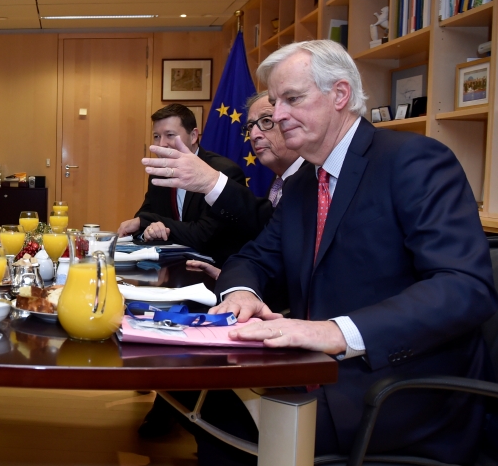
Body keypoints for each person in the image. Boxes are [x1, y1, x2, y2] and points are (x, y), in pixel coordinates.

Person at [208, 40, 497, 463]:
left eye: (292, 99)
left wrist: (336, 332)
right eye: (275, 102)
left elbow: (464, 288)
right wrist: (241, 295)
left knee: (228, 423)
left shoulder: (414, 161)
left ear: (339, 95)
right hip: (319, 374)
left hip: (401, 390)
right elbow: (253, 259)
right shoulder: (305, 182)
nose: (278, 115)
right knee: (210, 406)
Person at [142, 92, 306, 278]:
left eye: (266, 122)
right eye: (250, 126)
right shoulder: (278, 182)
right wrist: (230, 277)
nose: (253, 135)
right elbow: (267, 241)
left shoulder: (311, 179)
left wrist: (212, 182)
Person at [117, 103, 248, 265]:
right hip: (172, 265)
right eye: (156, 136)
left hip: (216, 268)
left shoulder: (223, 173)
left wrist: (150, 222)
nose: (161, 144)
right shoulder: (160, 172)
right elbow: (144, 218)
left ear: (193, 136)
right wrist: (151, 228)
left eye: (170, 135)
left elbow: (203, 236)